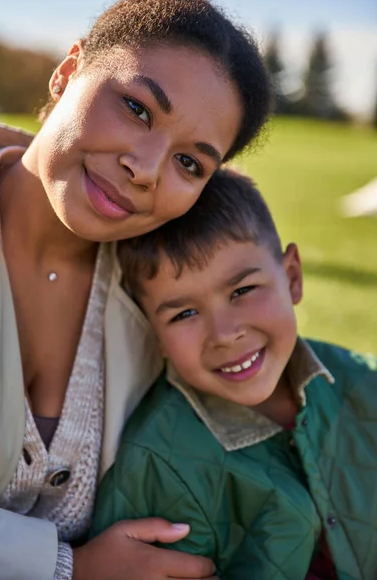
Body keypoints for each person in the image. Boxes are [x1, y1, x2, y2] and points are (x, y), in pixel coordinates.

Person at [0, 0, 272, 580]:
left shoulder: (166, 298)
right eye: (138, 109)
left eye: (190, 163)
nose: (146, 169)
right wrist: (65, 565)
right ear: (68, 72)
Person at [91, 169, 377, 580]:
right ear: (150, 330)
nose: (225, 335)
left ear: (292, 278)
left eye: (242, 291)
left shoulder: (363, 385)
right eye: (184, 313)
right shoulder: (159, 465)